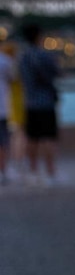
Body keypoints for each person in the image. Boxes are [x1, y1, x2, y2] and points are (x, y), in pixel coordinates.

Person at [18, 22, 62, 185]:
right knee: (49, 138)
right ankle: (51, 173)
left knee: (32, 139)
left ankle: (33, 171)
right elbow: (57, 72)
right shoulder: (43, 56)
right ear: (38, 36)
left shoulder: (23, 57)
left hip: (30, 103)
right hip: (46, 103)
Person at [0, 42, 16, 185]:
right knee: (3, 141)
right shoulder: (5, 60)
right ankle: (3, 170)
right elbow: (13, 78)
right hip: (2, 108)